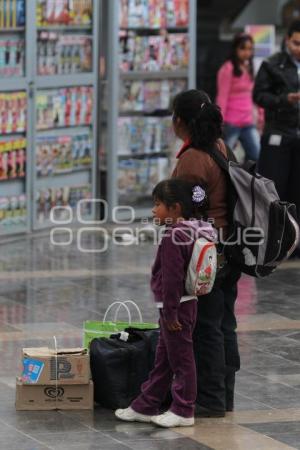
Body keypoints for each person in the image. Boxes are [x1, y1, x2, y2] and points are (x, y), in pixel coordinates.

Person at [115, 178, 217, 428]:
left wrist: (170, 314)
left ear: (176, 208)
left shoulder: (174, 236)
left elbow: (172, 279)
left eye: (158, 204)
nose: (153, 210)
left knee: (182, 360)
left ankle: (183, 409)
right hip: (185, 303)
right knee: (164, 359)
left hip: (176, 308)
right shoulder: (196, 228)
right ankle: (146, 404)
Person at [171, 89, 241, 417]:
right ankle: (224, 395)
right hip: (229, 246)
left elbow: (187, 211)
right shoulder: (219, 146)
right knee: (225, 323)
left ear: (180, 121)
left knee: (206, 326)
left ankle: (210, 399)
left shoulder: (192, 159)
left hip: (206, 254)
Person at [253, 20, 300, 232]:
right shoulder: (272, 64)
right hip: (278, 133)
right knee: (274, 189)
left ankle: (295, 240)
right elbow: (259, 95)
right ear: (287, 40)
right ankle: (274, 239)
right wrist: (284, 99)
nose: (299, 49)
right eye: (296, 43)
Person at [216, 32, 262, 161]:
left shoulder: (250, 68)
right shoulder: (227, 69)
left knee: (256, 155)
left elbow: (254, 95)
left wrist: (260, 116)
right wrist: (220, 122)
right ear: (235, 49)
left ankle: (247, 180)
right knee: (225, 158)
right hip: (231, 122)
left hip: (248, 121)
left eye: (250, 49)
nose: (247, 52)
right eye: (243, 48)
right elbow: (222, 97)